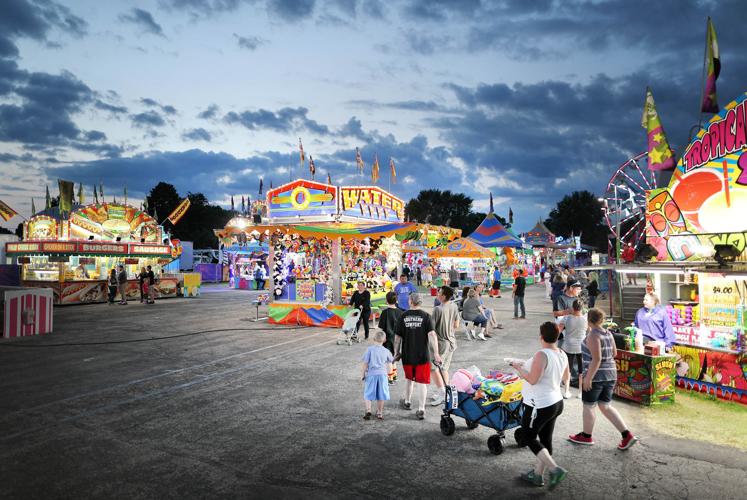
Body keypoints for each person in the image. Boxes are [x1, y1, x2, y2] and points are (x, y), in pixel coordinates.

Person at [509, 322, 569, 490]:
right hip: (556, 402)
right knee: (545, 440)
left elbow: (533, 380)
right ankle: (537, 475)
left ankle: (554, 469)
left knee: (528, 437)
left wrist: (519, 368)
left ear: (541, 337)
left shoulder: (541, 354)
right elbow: (566, 376)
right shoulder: (562, 353)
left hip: (539, 405)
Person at [569, 308, 638, 450]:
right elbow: (614, 352)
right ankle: (626, 435)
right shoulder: (608, 334)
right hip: (611, 374)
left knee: (589, 405)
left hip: (597, 376)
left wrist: (588, 378)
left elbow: (597, 359)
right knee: (605, 406)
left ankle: (586, 436)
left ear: (589, 321)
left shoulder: (593, 336)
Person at [394, 293, 441, 420]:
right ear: (419, 302)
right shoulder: (426, 316)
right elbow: (432, 336)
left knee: (409, 379)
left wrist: (396, 352)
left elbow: (397, 337)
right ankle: (421, 409)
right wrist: (436, 353)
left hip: (407, 355)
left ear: (410, 302)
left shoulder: (403, 316)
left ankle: (408, 402)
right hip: (422, 356)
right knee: (421, 383)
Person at [429, 285, 460, 406]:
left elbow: (431, 330)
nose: (438, 294)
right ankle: (445, 392)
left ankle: (442, 393)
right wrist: (448, 329)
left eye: (439, 293)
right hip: (451, 341)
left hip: (441, 343)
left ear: (444, 296)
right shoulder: (454, 306)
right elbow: (456, 325)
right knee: (444, 368)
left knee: (434, 368)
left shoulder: (438, 309)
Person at [361, 330, 393, 420]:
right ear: (385, 340)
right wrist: (389, 375)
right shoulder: (386, 351)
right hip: (383, 376)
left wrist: (362, 374)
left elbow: (365, 363)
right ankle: (379, 413)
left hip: (371, 375)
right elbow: (390, 365)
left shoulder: (370, 349)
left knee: (368, 393)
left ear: (374, 339)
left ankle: (368, 410)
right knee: (381, 395)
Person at [559, 300, 587, 398]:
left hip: (568, 346)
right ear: (582, 308)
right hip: (582, 347)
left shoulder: (566, 318)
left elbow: (558, 330)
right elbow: (590, 332)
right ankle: (580, 392)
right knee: (581, 370)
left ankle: (566, 391)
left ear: (572, 307)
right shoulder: (585, 319)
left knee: (568, 369)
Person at [377, 291, 402, 384]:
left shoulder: (384, 313)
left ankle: (390, 379)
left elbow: (380, 328)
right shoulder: (400, 312)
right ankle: (394, 376)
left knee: (388, 361)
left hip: (387, 340)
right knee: (393, 359)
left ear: (386, 301)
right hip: (397, 340)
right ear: (396, 300)